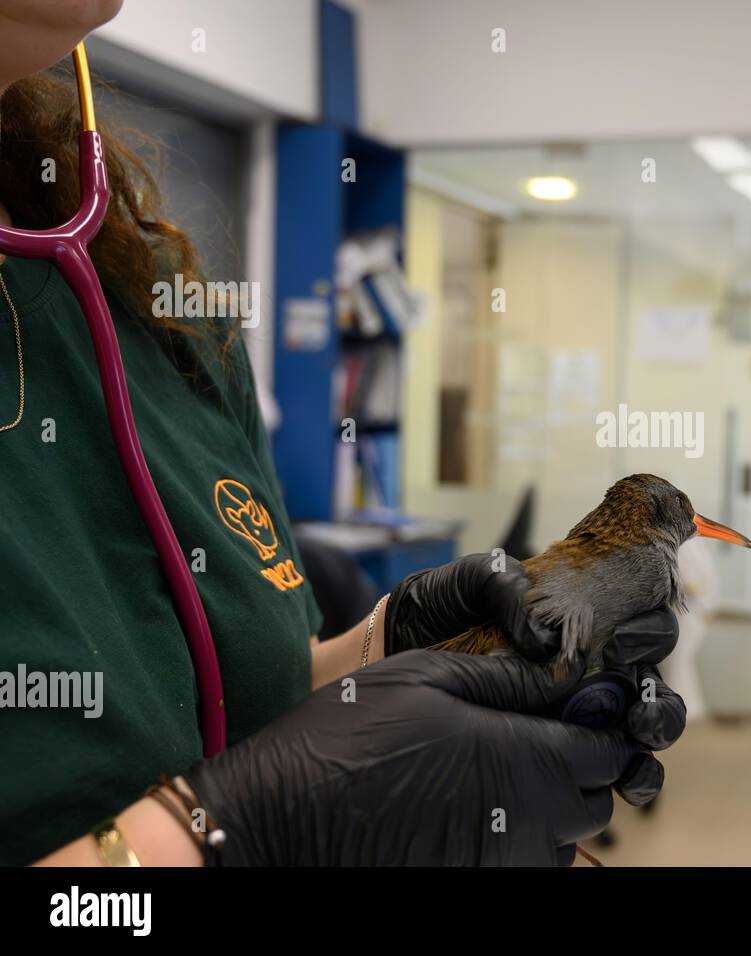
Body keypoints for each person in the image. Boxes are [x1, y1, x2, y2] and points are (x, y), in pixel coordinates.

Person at [0, 0, 685, 867]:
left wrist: (391, 648)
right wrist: (234, 834)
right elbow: (254, 804)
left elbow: (243, 708)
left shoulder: (148, 296)